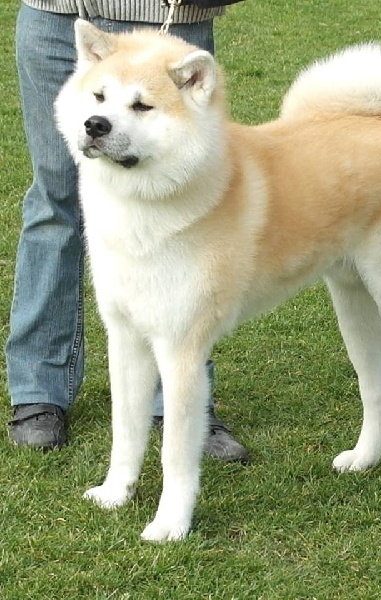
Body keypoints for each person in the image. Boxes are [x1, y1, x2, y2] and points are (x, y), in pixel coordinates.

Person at [6, 0, 249, 462]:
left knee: (184, 215)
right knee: (53, 200)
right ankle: (39, 387)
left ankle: (176, 401)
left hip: (170, 18)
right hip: (55, 15)